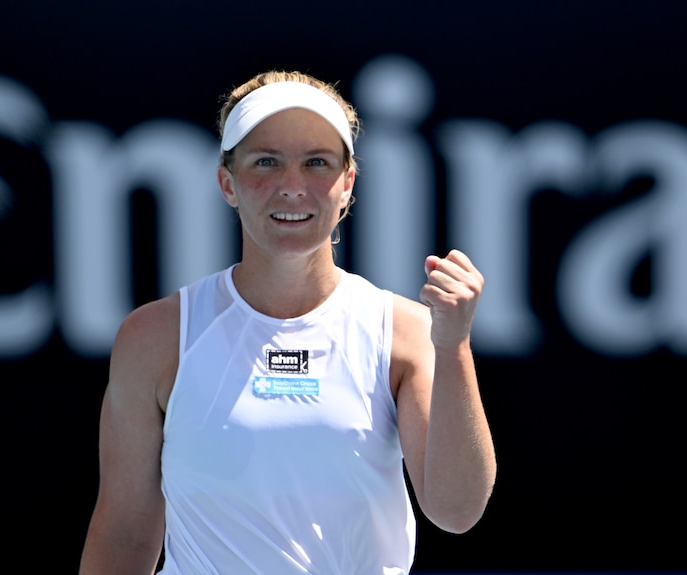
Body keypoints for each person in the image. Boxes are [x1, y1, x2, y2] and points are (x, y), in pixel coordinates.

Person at [79, 70, 496, 574]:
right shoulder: (154, 338)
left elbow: (455, 512)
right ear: (227, 183)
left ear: (347, 184)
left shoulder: (406, 335)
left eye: (316, 163)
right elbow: (123, 540)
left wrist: (453, 347)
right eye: (266, 162)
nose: (292, 187)